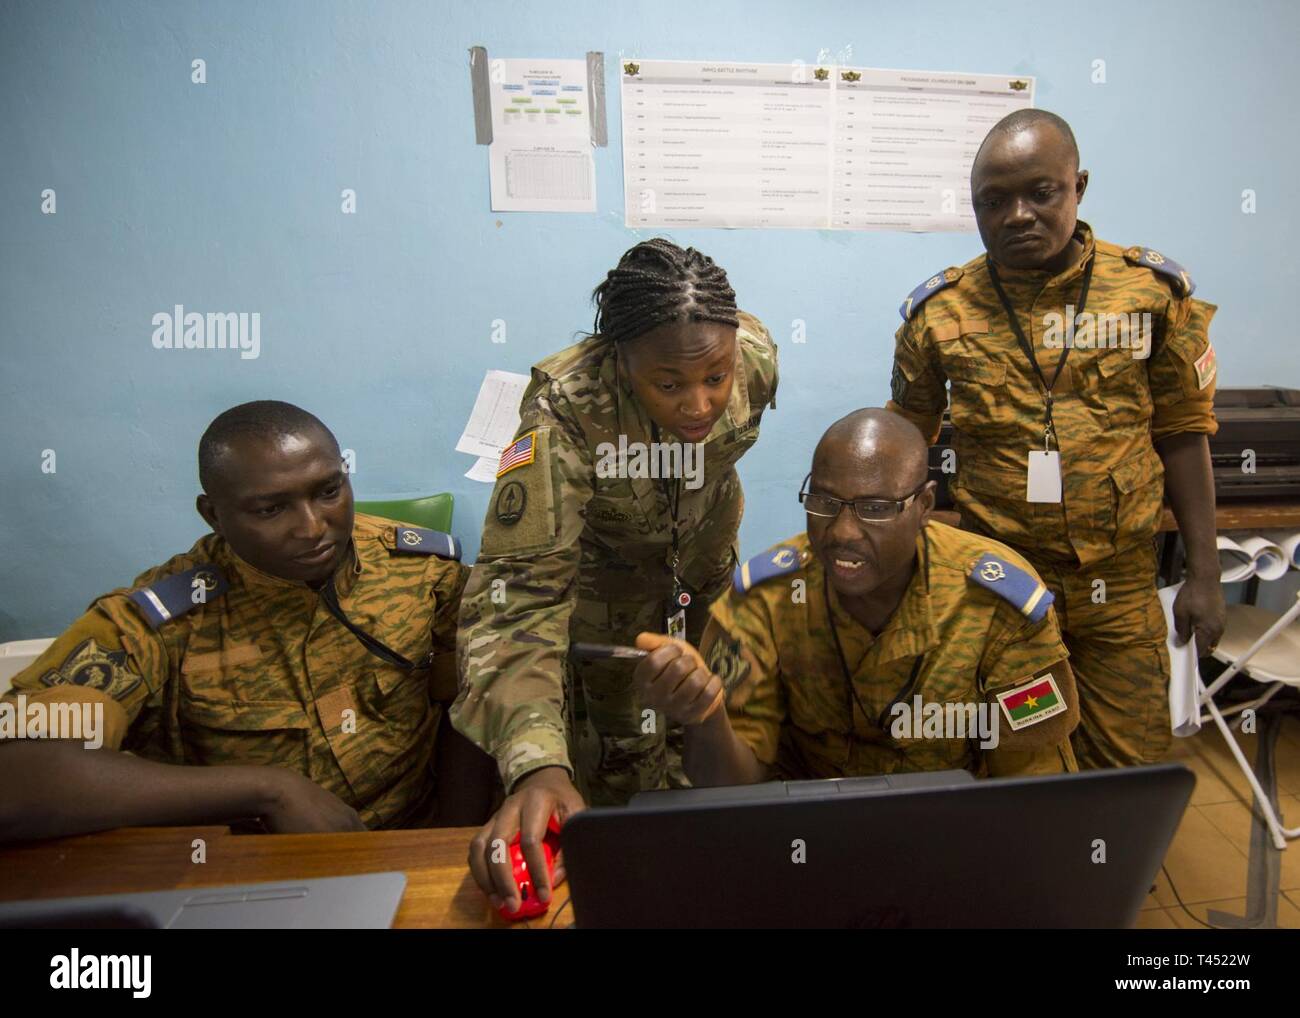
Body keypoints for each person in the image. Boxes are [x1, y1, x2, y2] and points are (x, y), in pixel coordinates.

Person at [886, 109, 1224, 769]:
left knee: (1126, 766)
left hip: (1119, 581)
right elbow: (907, 445)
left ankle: (1112, 872)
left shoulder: (1150, 298)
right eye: (993, 201)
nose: (1016, 215)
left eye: (1040, 192)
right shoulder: (941, 314)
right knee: (1013, 756)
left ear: (1079, 187)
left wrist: (1204, 574)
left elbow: (1185, 435)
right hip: (1001, 580)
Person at [454, 238, 779, 913]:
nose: (699, 403)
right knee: (600, 826)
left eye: (714, 378)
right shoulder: (563, 413)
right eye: (669, 384)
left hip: (705, 605)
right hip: (597, 628)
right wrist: (537, 764)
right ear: (620, 359)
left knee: (726, 820)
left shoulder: (754, 357)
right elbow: (517, 601)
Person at [0, 400, 490, 844]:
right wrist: (267, 791)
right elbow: (17, 778)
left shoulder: (423, 570)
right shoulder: (158, 623)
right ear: (213, 514)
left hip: (413, 840)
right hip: (250, 869)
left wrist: (450, 839)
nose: (313, 527)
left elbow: (472, 700)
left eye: (328, 491)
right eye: (271, 508)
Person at [632, 409, 1079, 785]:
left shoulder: (997, 603)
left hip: (954, 834)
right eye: (824, 503)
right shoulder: (765, 597)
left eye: (876, 509)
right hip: (806, 839)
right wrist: (706, 716)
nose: (842, 533)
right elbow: (729, 787)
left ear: (924, 506)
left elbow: (1031, 788)